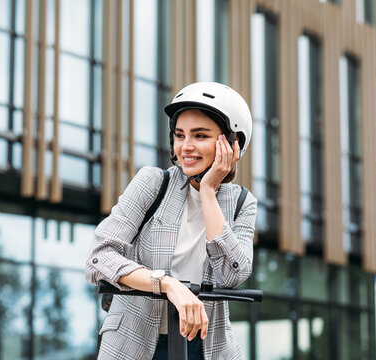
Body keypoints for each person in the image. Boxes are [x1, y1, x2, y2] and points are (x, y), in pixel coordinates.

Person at [85, 82, 257, 360]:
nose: (186, 147)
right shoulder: (152, 183)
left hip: (206, 347)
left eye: (200, 136)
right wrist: (168, 285)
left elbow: (231, 276)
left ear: (232, 143)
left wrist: (209, 193)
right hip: (134, 343)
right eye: (179, 135)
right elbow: (98, 257)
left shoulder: (241, 202)